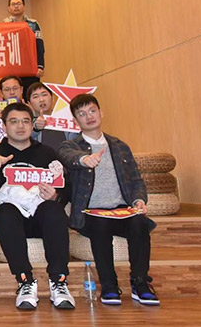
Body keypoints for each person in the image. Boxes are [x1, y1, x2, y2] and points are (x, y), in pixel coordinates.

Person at [58, 94, 159, 306]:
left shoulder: (120, 146)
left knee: (139, 223)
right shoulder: (71, 146)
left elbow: (136, 180)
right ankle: (109, 284)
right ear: (75, 121)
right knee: (101, 226)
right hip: (90, 213)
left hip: (121, 210)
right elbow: (67, 156)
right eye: (82, 114)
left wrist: (139, 200)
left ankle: (140, 282)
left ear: (101, 113)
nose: (89, 116)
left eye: (92, 111)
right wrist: (84, 159)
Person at [0, 103, 74, 310]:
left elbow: (66, 186)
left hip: (40, 218)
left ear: (32, 125)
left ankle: (59, 281)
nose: (20, 126)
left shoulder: (47, 153)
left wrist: (56, 196)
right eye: (14, 122)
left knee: (54, 210)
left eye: (25, 121)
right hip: (9, 221)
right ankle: (25, 281)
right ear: (4, 126)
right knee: (5, 212)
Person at [4, 0, 44, 91]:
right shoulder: (4, 25)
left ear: (24, 6)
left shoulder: (33, 24)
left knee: (31, 92)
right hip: (13, 67)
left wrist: (40, 65)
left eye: (19, 4)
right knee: (13, 92)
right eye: (13, 4)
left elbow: (39, 45)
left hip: (30, 66)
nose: (16, 6)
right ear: (9, 8)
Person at [26, 82, 72, 150]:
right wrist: (36, 128)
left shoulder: (65, 118)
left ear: (52, 98)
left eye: (44, 95)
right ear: (29, 103)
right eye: (35, 97)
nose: (41, 99)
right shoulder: (26, 123)